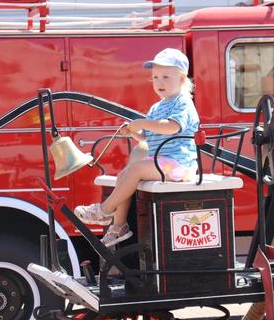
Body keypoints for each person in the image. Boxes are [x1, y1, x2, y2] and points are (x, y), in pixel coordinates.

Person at [75, 48, 199, 247]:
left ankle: (104, 210)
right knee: (125, 174)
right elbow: (149, 137)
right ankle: (119, 226)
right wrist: (134, 132)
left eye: (166, 77)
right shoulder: (157, 107)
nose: (159, 82)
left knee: (135, 169)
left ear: (182, 79)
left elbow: (172, 127)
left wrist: (141, 122)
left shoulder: (183, 102)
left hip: (179, 165)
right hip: (162, 161)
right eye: (155, 77)